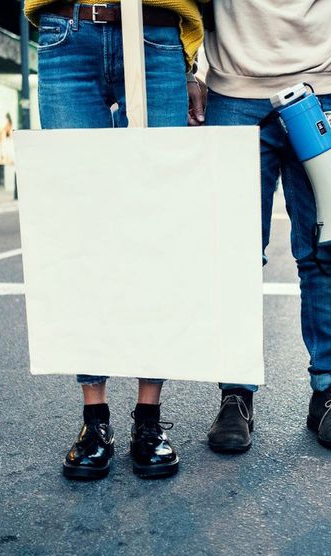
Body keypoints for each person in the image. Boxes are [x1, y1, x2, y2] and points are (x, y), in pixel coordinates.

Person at [194, 0, 331, 453]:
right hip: (234, 95)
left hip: (322, 91)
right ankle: (235, 394)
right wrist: (190, 69)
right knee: (235, 257)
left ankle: (328, 392)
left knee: (322, 253)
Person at [25, 0, 206, 479]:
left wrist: (190, 61)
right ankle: (94, 418)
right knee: (82, 235)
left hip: (155, 30)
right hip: (66, 30)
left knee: (156, 232)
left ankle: (148, 416)